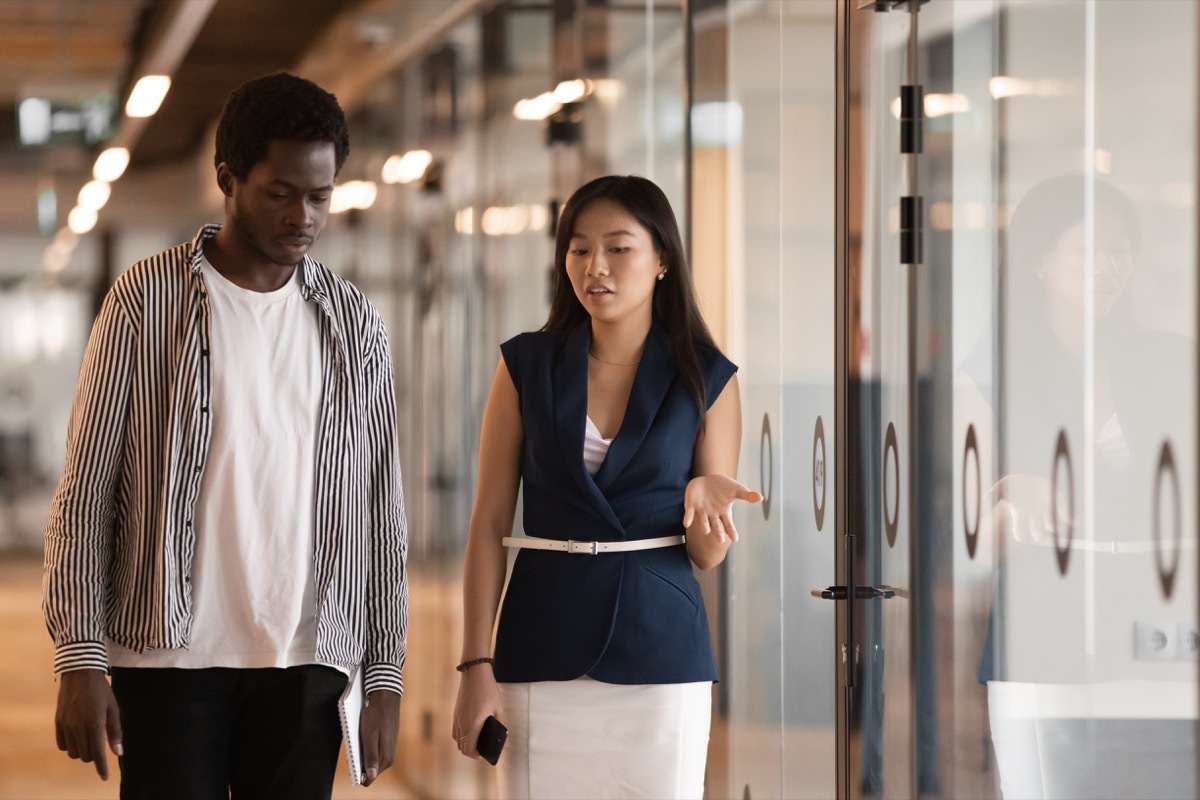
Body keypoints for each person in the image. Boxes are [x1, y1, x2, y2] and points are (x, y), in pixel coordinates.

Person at [42, 71, 409, 799]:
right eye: (281, 192)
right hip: (169, 658)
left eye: (320, 196)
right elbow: (86, 491)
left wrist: (385, 676)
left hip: (308, 659)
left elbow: (379, 508)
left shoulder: (353, 323)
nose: (303, 215)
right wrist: (79, 660)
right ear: (228, 178)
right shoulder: (147, 300)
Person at [451, 174, 762, 799]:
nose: (596, 266)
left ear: (662, 259)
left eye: (619, 248)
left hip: (660, 656)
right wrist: (474, 666)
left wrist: (705, 514)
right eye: (579, 248)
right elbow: (489, 522)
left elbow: (706, 556)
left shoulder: (708, 379)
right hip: (541, 646)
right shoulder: (525, 367)